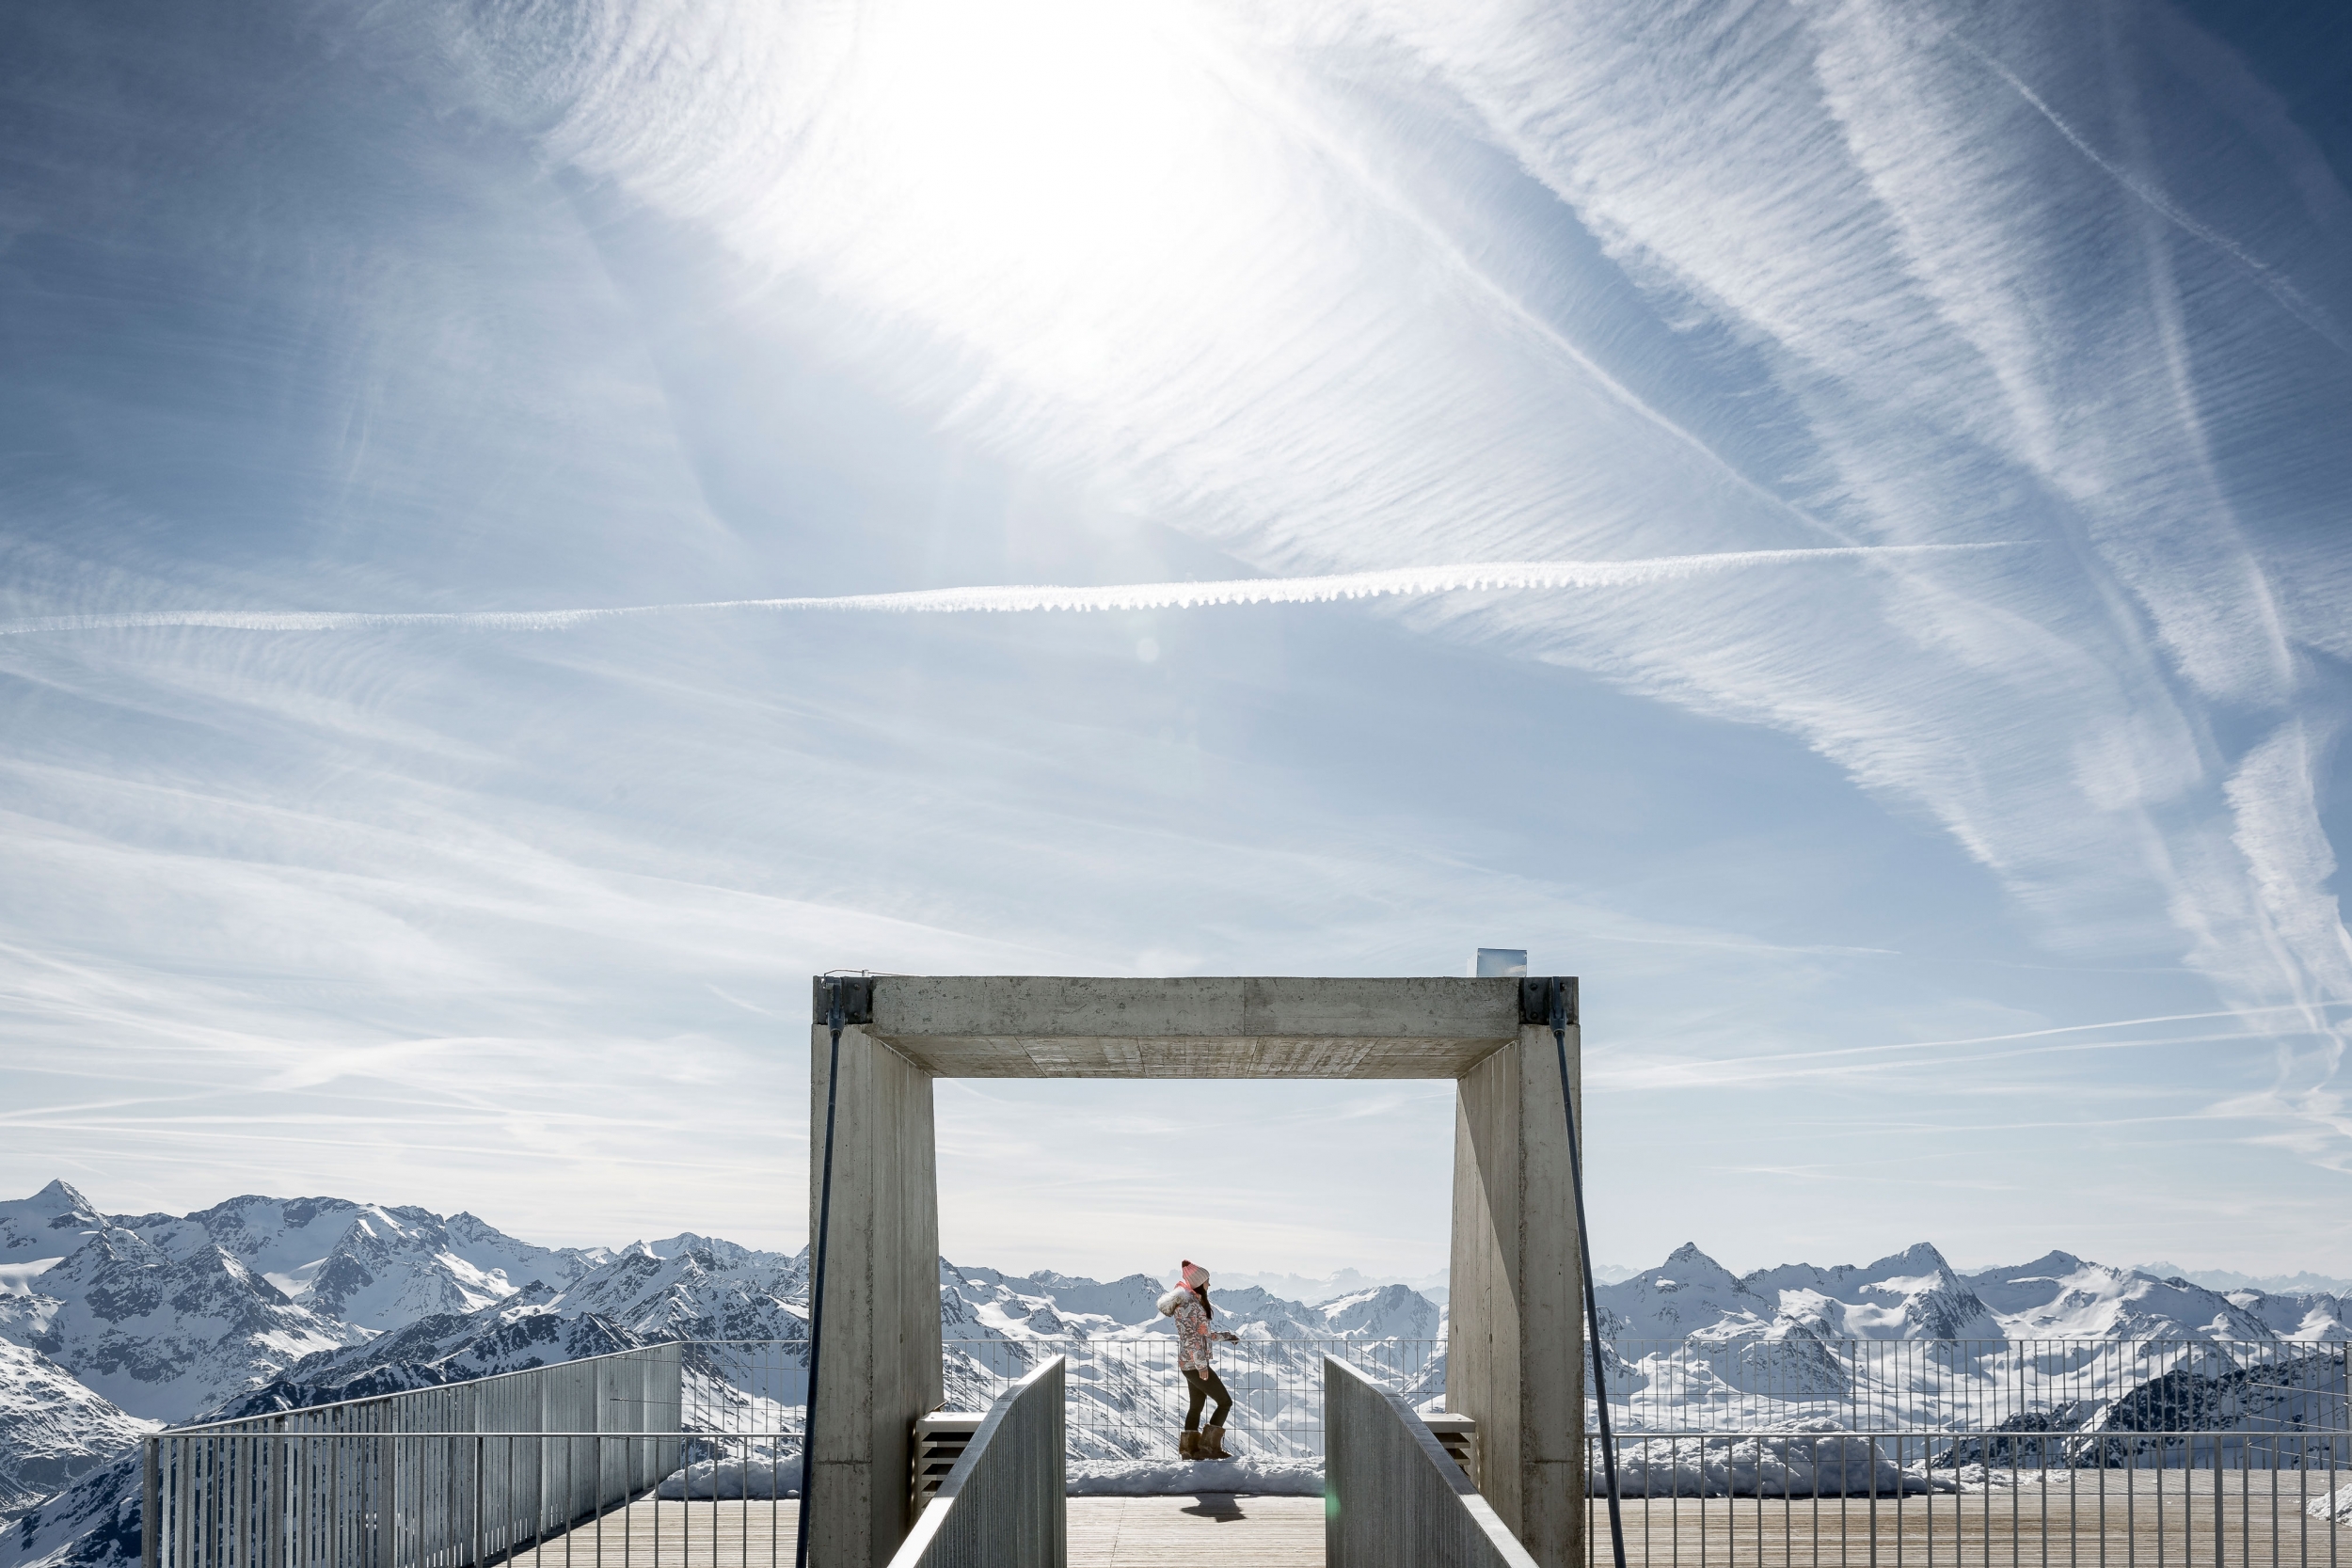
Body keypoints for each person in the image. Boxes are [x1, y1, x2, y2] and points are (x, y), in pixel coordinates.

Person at [1158, 1259, 1238, 1460]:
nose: (1209, 1284)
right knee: (1225, 1402)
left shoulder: (1191, 1302)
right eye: (1207, 1280)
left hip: (1190, 1362)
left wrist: (1226, 1336)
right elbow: (1191, 1339)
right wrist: (1202, 1366)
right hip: (1194, 1364)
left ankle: (1189, 1450)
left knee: (1196, 1406)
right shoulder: (1188, 1305)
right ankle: (1209, 1448)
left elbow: (1202, 1334)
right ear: (1200, 1283)